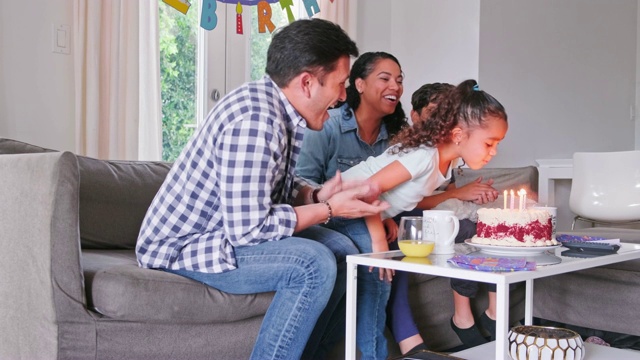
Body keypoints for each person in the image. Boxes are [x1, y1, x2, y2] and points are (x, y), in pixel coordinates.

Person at [135, 18, 391, 360]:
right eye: (341, 84)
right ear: (307, 82)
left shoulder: (277, 110)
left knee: (343, 249)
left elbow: (271, 185)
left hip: (224, 231)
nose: (344, 96)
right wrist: (331, 210)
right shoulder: (256, 121)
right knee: (312, 263)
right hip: (185, 247)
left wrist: (317, 195)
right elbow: (249, 229)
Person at [335, 79, 508, 359]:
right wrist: (378, 240)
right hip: (341, 208)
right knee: (380, 277)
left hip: (364, 208)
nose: (494, 151)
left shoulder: (445, 162)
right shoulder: (423, 157)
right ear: (459, 134)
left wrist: (385, 215)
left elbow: (399, 197)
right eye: (490, 143)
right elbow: (363, 192)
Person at [296, 51, 409, 358]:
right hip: (319, 218)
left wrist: (380, 215)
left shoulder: (394, 139)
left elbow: (383, 193)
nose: (395, 87)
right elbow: (300, 187)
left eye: (399, 81)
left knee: (391, 244)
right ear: (358, 84)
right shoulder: (327, 126)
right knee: (372, 252)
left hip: (363, 218)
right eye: (385, 78)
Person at [396, 83, 502, 351]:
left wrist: (467, 193)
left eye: (445, 112)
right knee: (467, 230)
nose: (440, 119)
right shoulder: (418, 155)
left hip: (438, 212)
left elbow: (444, 192)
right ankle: (463, 316)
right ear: (415, 115)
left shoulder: (449, 155)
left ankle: (494, 309)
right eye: (434, 112)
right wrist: (461, 193)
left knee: (493, 227)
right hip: (410, 218)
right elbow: (410, 201)